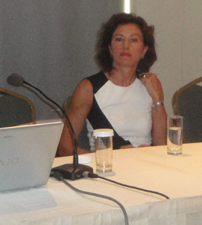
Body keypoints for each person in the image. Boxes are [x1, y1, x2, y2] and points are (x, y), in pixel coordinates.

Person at [57, 13, 167, 156]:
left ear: (143, 50)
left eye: (133, 40)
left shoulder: (150, 85)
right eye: (119, 39)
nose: (125, 46)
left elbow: (161, 146)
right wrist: (108, 157)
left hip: (147, 163)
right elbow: (65, 148)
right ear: (109, 48)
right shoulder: (88, 88)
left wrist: (158, 100)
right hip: (106, 165)